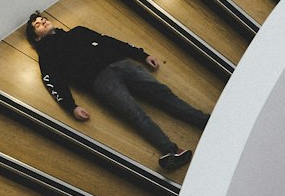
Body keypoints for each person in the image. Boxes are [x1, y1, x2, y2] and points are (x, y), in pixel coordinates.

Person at [26, 12, 209, 172]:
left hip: (122, 64)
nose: (43, 22)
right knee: (135, 114)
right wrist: (71, 106)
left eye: (43, 19)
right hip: (100, 81)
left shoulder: (78, 31)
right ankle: (171, 151)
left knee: (163, 95)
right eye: (38, 24)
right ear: (36, 38)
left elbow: (109, 41)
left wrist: (141, 54)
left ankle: (202, 120)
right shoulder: (46, 56)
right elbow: (54, 83)